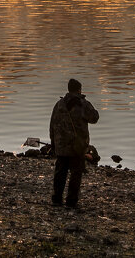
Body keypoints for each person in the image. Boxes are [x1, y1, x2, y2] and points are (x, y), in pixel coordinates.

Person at [49, 78, 99, 209]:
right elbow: (94, 118)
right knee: (76, 174)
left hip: (61, 145)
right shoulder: (83, 104)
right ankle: (71, 202)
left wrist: (53, 143)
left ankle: (56, 199)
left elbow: (52, 124)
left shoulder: (59, 104)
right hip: (77, 146)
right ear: (79, 89)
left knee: (60, 173)